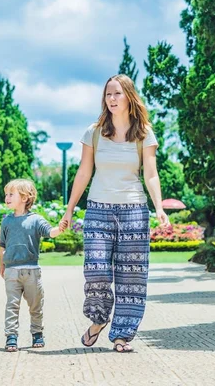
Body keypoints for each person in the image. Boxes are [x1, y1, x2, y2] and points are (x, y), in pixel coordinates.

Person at [60, 74, 171, 353]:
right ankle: (98, 320)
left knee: (131, 277)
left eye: (117, 94)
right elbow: (84, 172)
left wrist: (158, 207)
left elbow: (151, 174)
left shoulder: (144, 132)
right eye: (108, 94)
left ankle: (122, 335)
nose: (112, 99)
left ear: (129, 97)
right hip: (98, 209)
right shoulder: (94, 132)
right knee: (96, 269)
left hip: (134, 210)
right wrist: (70, 208)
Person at [0, 179, 68, 352]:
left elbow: (50, 232)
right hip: (11, 271)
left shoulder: (36, 220)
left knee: (36, 305)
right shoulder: (6, 221)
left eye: (11, 194)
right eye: (6, 194)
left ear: (24, 197)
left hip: (32, 271)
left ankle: (37, 333)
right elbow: (2, 245)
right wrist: (2, 266)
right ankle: (11, 337)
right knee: (12, 305)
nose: (6, 198)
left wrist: (59, 229)